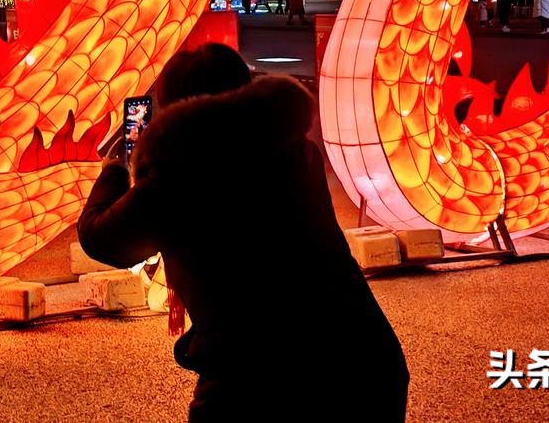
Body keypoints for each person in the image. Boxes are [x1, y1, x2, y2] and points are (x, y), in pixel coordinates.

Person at [78, 44, 408, 420]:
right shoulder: (300, 154)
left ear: (172, 111)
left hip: (257, 386)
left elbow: (102, 237)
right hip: (366, 362)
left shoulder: (178, 181)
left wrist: (115, 170)